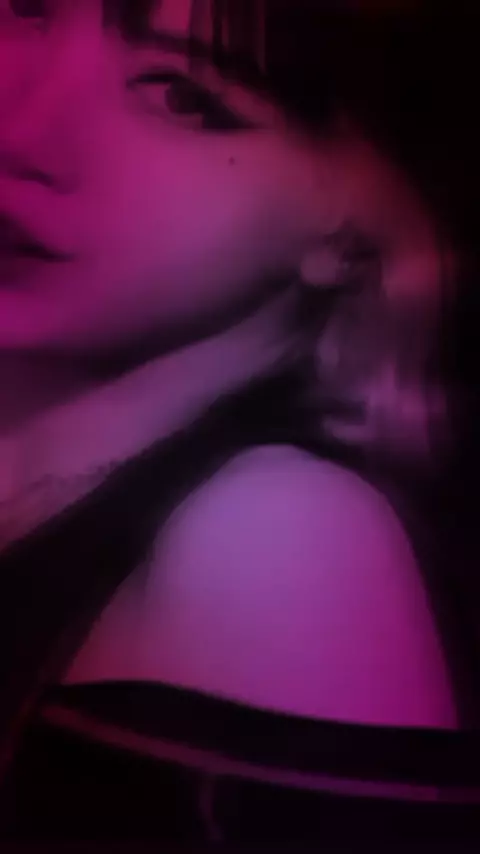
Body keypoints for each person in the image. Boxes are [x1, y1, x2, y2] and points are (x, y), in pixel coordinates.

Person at [0, 0, 478, 844]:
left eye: (180, 94)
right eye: (21, 16)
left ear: (352, 226)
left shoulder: (280, 535)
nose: (22, 131)